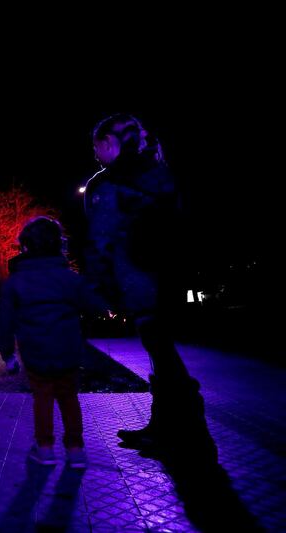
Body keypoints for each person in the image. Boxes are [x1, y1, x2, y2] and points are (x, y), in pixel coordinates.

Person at [84, 113, 215, 460]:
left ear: (110, 143)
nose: (97, 156)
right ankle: (167, 428)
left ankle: (185, 432)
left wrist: (102, 287)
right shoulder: (161, 175)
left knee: (165, 360)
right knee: (162, 358)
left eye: (98, 148)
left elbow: (102, 241)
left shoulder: (110, 186)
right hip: (168, 282)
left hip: (140, 284)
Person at [0, 216, 109, 468]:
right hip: (67, 349)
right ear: (59, 244)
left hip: (35, 350)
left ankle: (45, 448)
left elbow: (5, 321)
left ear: (25, 247)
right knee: (69, 397)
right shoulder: (68, 277)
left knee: (43, 398)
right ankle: (75, 450)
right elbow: (95, 305)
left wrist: (8, 354)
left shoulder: (15, 281)